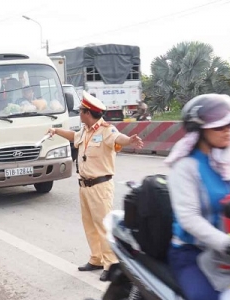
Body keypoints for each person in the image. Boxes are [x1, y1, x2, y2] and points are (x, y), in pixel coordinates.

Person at [47, 91, 143, 281]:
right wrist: (56, 131)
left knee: (103, 226)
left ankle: (110, 264)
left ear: (88, 112)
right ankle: (96, 258)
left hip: (100, 186)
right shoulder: (84, 130)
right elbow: (73, 136)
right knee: (89, 224)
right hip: (84, 186)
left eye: (81, 111)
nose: (79, 113)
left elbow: (119, 138)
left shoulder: (107, 130)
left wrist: (130, 141)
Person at [164, 94, 230, 300]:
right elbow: (189, 218)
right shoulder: (185, 168)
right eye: (219, 126)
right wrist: (227, 243)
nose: (227, 130)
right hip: (192, 253)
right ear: (199, 130)